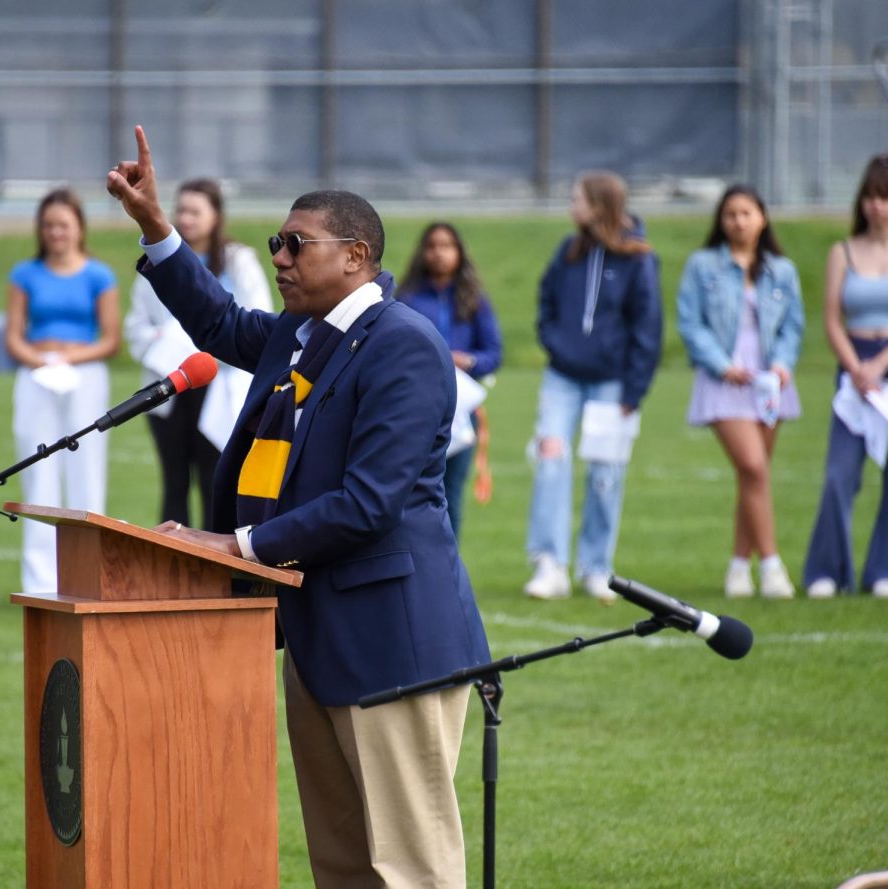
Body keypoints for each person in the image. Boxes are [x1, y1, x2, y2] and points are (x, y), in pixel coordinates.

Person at [107, 126, 490, 889]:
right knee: (343, 865)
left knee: (409, 867)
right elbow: (217, 322)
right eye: (277, 243)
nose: (278, 256)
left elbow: (369, 503)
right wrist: (157, 227)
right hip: (318, 638)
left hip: (393, 645)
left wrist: (238, 546)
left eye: (295, 243)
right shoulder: (298, 333)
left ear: (355, 256)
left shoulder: (403, 344)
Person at [523, 172, 662, 602]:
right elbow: (545, 301)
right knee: (550, 463)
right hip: (562, 378)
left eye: (576, 198)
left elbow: (648, 326)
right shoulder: (568, 251)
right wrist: (555, 342)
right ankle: (549, 565)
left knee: (605, 473)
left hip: (612, 386)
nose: (571, 205)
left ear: (599, 206)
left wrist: (633, 392)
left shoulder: (638, 259)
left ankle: (596, 567)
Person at [803, 153, 888, 598]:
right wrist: (857, 366)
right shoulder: (843, 252)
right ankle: (828, 571)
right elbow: (832, 319)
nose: (879, 207)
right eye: (872, 198)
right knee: (840, 471)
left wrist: (884, 361)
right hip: (855, 369)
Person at [677, 184, 804, 599]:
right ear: (721, 220)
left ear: (762, 218)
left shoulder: (781, 270)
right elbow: (690, 322)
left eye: (746, 213)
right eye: (731, 214)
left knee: (755, 477)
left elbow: (793, 325)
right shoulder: (703, 266)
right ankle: (771, 567)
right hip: (725, 379)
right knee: (753, 467)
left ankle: (737, 567)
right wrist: (720, 364)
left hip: (768, 382)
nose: (738, 221)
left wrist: (783, 363)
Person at [124, 178, 272, 529]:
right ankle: (168, 570)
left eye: (195, 211)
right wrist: (163, 341)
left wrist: (208, 348)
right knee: (174, 483)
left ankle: (213, 566)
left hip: (220, 385)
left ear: (217, 216)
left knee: (215, 482)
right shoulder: (156, 262)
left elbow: (257, 320)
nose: (186, 218)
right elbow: (136, 328)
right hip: (170, 385)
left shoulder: (238, 261)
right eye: (181, 210)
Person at [4, 188, 120, 595]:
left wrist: (75, 354)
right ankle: (40, 582)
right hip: (38, 375)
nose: (57, 233)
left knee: (86, 469)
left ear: (79, 229)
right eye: (50, 225)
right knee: (38, 473)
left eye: (64, 225)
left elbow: (110, 338)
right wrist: (38, 359)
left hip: (84, 375)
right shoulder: (25, 274)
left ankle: (88, 575)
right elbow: (14, 336)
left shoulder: (98, 275)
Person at [396, 221, 502, 540]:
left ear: (458, 252)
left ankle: (448, 568)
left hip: (462, 410)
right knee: (414, 492)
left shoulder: (473, 300)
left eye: (446, 246)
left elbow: (494, 353)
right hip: (418, 408)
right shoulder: (409, 298)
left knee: (451, 494)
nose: (439, 253)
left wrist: (467, 360)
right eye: (432, 246)